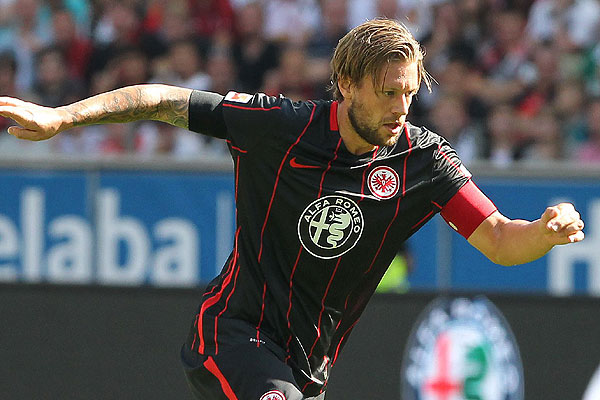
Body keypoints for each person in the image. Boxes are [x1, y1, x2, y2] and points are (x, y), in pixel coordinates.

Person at [0, 18, 585, 400]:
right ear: (347, 84)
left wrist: (543, 231)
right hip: (232, 333)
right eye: (388, 92)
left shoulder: (424, 159)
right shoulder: (280, 126)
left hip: (307, 369)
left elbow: (499, 239)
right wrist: (61, 117)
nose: (401, 107)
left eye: (409, 92)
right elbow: (162, 99)